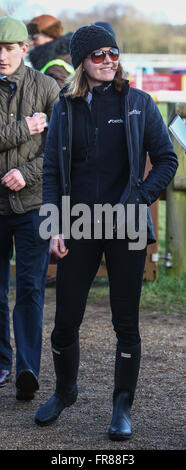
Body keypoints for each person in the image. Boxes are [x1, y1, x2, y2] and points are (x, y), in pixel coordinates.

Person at [34, 25, 178, 439]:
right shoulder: (65, 107)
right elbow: (50, 172)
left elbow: (167, 160)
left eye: (112, 52)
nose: (108, 59)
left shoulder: (139, 103)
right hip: (77, 223)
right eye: (98, 54)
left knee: (126, 324)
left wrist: (140, 198)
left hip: (127, 224)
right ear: (82, 60)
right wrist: (52, 227)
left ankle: (121, 405)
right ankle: (64, 392)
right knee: (64, 323)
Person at [0, 16, 60, 399]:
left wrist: (27, 172)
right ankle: (1, 362)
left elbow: (61, 148)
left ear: (25, 48)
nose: (1, 56)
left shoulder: (47, 87)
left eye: (7, 48)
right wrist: (25, 128)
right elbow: (35, 132)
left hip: (34, 204)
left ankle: (27, 368)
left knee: (30, 289)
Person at [27, 15, 74, 88]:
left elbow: (58, 98)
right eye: (30, 38)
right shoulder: (66, 55)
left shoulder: (55, 68)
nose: (31, 42)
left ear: (50, 34)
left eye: (35, 37)